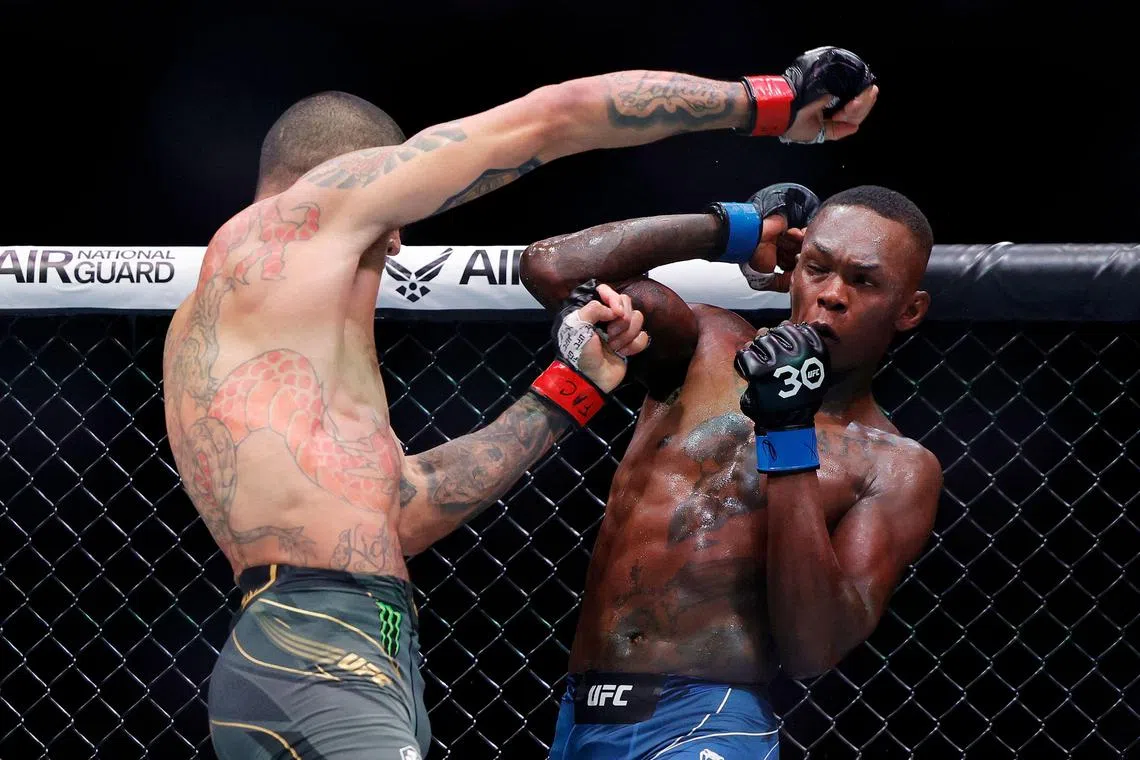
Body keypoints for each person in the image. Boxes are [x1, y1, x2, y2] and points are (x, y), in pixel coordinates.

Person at [161, 47, 878, 759]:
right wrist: (774, 101)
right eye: (398, 208)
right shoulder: (307, 216)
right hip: (322, 657)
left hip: (321, 649)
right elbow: (553, 117)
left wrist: (572, 389)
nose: (401, 238)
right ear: (359, 175)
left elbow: (400, 508)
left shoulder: (225, 335)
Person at [520, 181, 943, 759]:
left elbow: (812, 649)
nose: (832, 295)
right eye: (818, 268)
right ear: (793, 268)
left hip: (708, 723)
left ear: (909, 309)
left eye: (864, 281)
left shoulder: (894, 468)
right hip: (579, 716)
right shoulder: (708, 342)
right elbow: (553, 269)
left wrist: (789, 434)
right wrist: (737, 229)